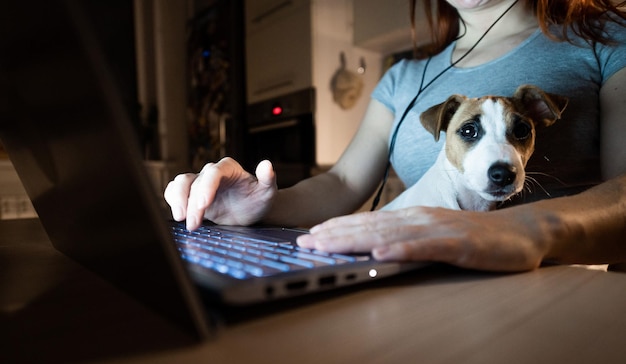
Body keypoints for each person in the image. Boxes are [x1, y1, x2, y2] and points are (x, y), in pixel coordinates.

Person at [165, 0, 626, 272]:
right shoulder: (404, 77)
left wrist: (525, 228)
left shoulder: (603, 36)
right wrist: (261, 205)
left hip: (551, 304)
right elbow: (342, 184)